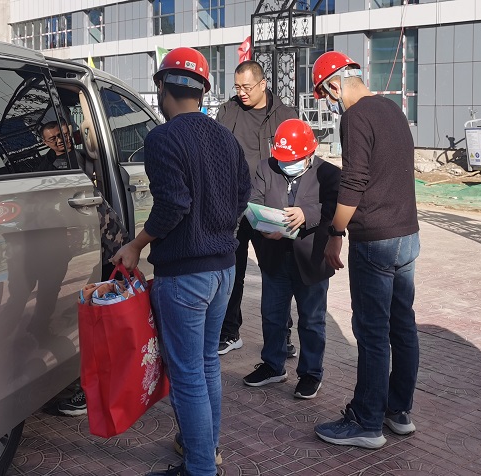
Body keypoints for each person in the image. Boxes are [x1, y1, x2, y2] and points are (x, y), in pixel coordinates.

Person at [111, 47, 250, 476]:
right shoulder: (226, 137)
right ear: (202, 90)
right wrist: (216, 226)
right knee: (206, 364)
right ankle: (205, 448)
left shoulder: (162, 138)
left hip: (186, 275)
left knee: (188, 374)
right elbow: (242, 195)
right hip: (224, 269)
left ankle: (200, 467)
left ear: (161, 87)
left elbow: (173, 205)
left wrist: (136, 244)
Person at [311, 51, 420, 449]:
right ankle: (397, 410)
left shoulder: (355, 116)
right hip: (407, 235)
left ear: (335, 85)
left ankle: (367, 421)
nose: (329, 102)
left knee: (372, 332)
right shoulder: (393, 110)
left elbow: (354, 181)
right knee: (402, 326)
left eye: (326, 95)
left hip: (374, 239)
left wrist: (335, 231)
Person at [242, 119, 339, 399]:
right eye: (283, 159)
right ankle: (273, 365)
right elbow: (254, 199)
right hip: (275, 255)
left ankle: (310, 373)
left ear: (311, 153)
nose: (287, 164)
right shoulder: (266, 167)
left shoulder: (329, 174)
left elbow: (335, 207)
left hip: (311, 257)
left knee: (311, 319)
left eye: (294, 160)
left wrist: (306, 214)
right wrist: (264, 224)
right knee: (272, 315)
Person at [39, 119, 129, 417]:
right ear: (44, 141)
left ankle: (95, 388)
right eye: (52, 138)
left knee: (102, 311)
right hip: (76, 244)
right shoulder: (42, 167)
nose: (59, 140)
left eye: (63, 134)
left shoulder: (89, 158)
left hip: (102, 243)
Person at [216, 60, 299, 355]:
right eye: (237, 87)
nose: (241, 92)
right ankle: (229, 332)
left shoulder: (285, 115)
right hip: (234, 207)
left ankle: (281, 338)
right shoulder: (228, 112)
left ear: (263, 84)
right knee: (232, 272)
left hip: (269, 207)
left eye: (247, 87)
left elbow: (300, 161)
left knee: (275, 275)